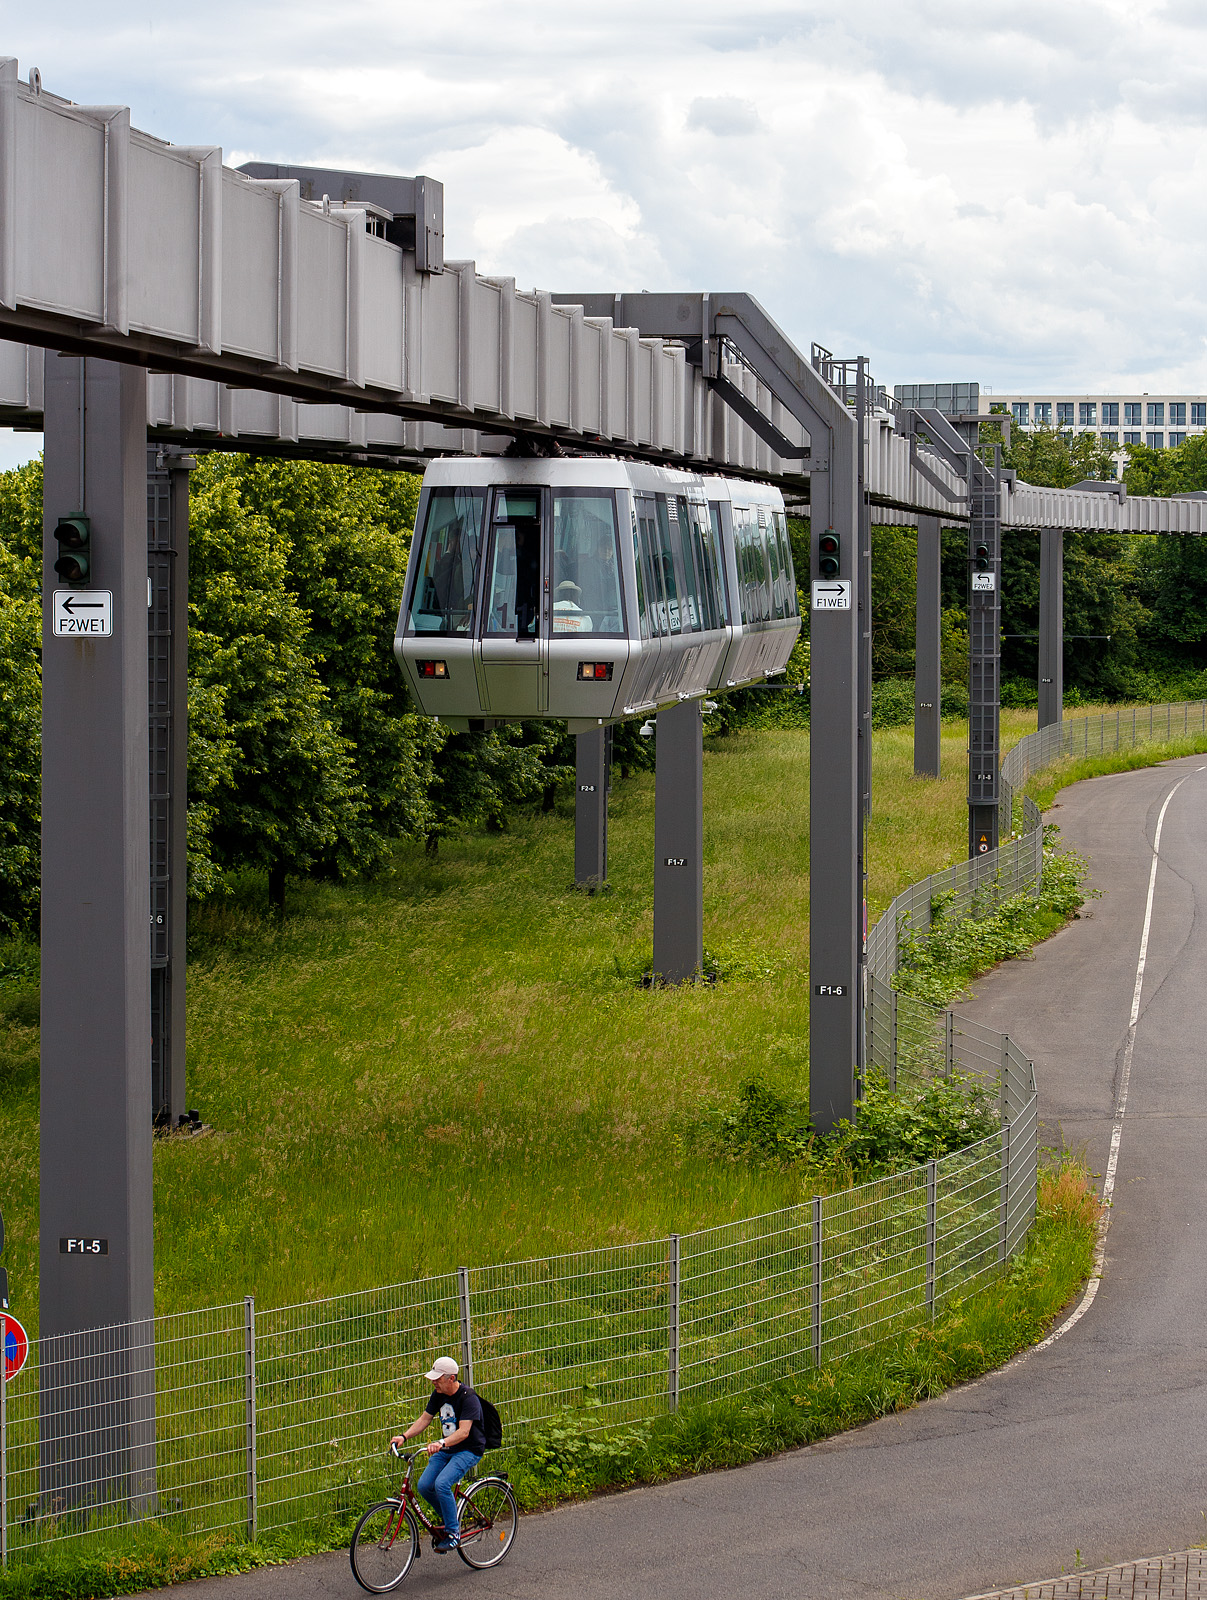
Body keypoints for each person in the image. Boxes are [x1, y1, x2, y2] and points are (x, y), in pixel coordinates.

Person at [390, 1356, 485, 1552]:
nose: (434, 1382)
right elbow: (425, 1419)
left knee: (441, 1484)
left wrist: (441, 1442)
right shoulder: (438, 1394)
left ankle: (453, 1533)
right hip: (447, 1449)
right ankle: (451, 1518)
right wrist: (403, 1436)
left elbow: (464, 1432)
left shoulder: (469, 1398)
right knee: (424, 1486)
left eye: (438, 1379)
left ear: (451, 1378)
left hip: (468, 1450)